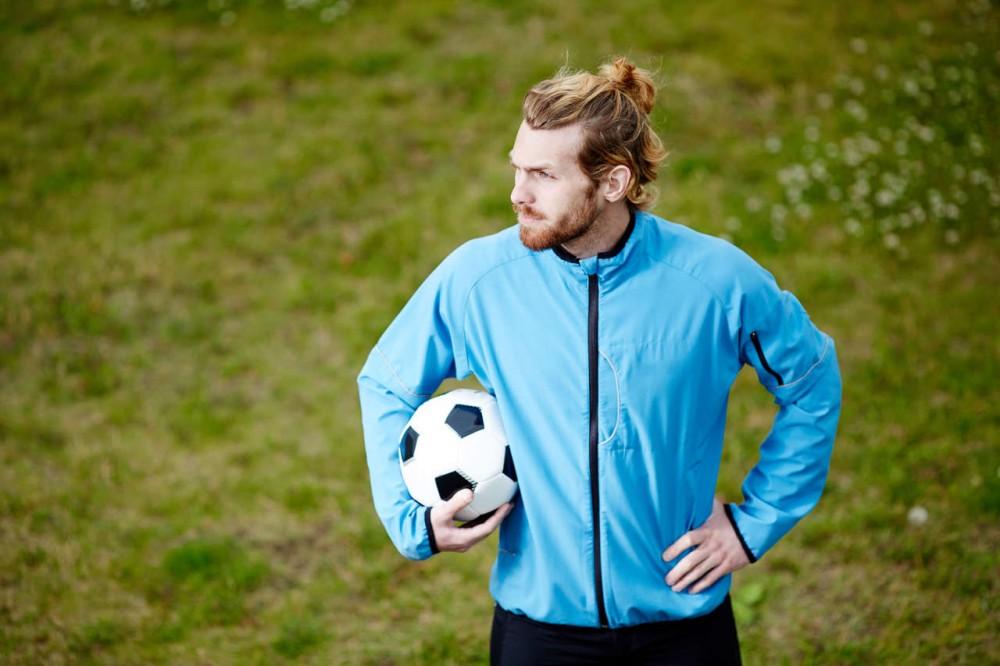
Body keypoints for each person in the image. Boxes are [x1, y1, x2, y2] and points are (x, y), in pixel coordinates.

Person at [357, 56, 842, 665]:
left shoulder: (717, 282)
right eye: (516, 169)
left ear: (611, 182)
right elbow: (385, 382)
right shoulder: (477, 280)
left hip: (683, 625)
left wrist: (756, 522)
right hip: (539, 631)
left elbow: (812, 380)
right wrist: (413, 521)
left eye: (542, 175)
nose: (517, 194)